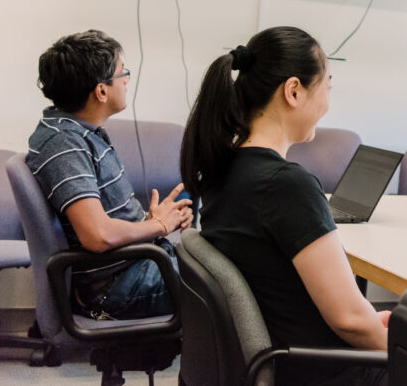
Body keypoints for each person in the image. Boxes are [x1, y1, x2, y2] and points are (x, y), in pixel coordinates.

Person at [180, 26, 387, 386]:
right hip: (322, 371)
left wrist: (367, 319)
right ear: (293, 91)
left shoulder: (224, 169)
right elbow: (349, 322)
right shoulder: (286, 186)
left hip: (287, 357)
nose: (327, 103)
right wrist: (406, 352)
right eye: (327, 87)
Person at [27, 30, 193, 320]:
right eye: (122, 74)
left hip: (136, 266)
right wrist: (158, 226)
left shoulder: (80, 133)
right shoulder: (64, 143)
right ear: (102, 91)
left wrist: (151, 221)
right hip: (117, 288)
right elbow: (97, 235)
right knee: (239, 286)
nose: (127, 81)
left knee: (229, 265)